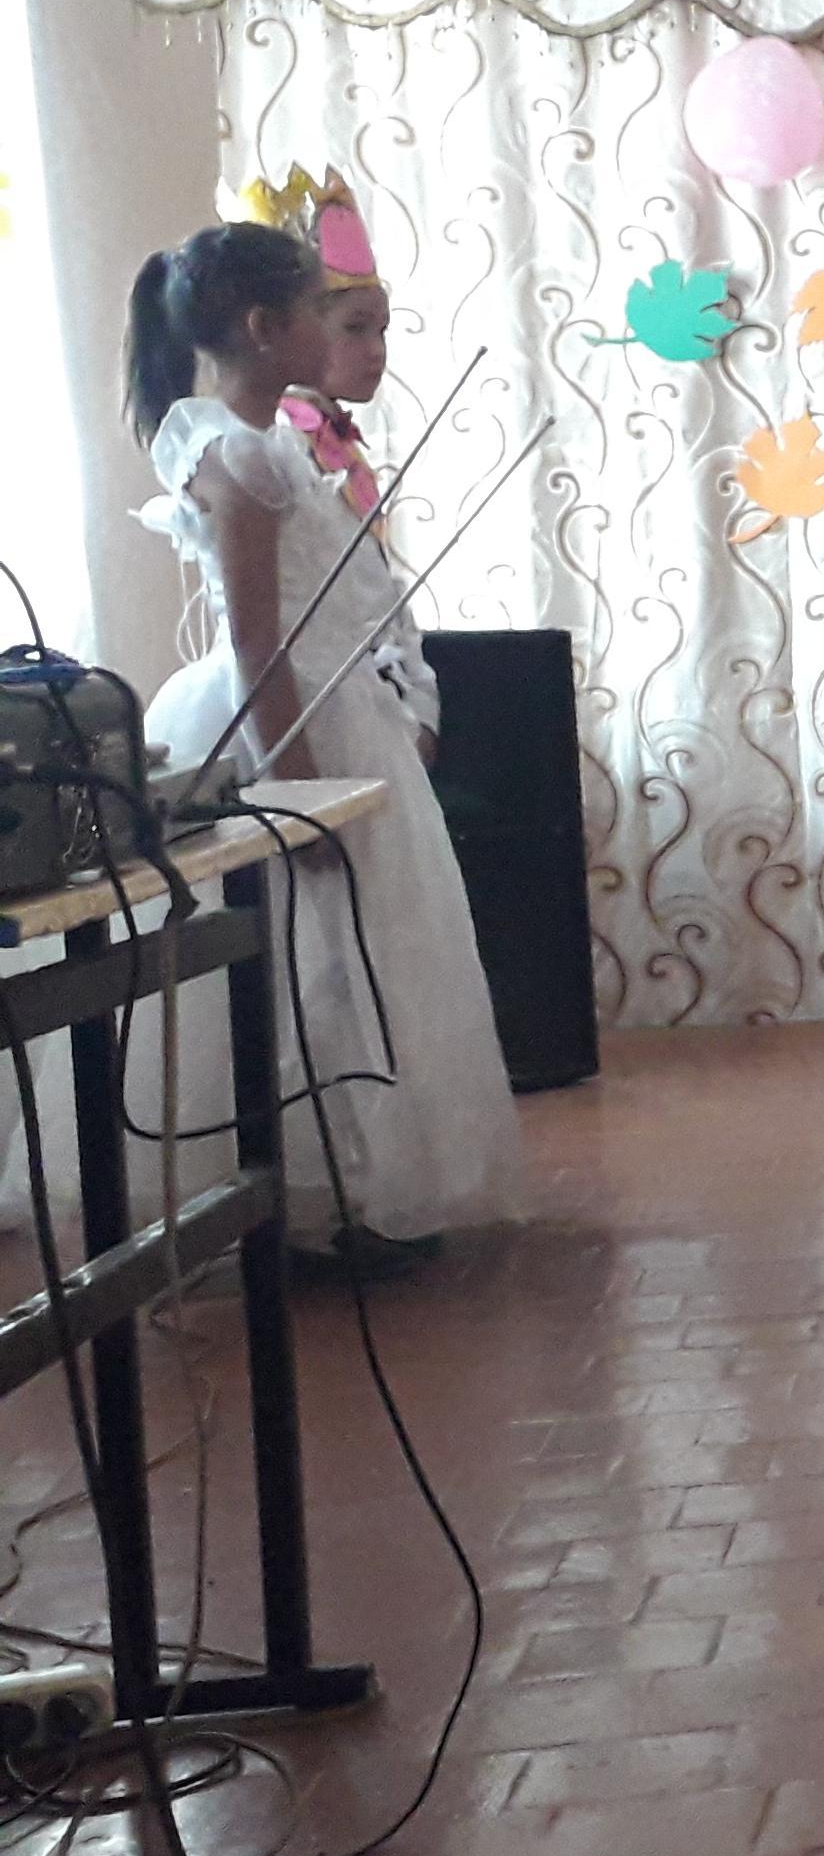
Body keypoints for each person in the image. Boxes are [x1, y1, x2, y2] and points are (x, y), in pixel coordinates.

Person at [127, 218, 522, 1268]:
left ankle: (355, 1185)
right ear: (266, 327)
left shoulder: (265, 444)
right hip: (289, 728)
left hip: (335, 708)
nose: (330, 330)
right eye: (316, 310)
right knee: (315, 957)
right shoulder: (237, 457)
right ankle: (314, 1198)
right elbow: (258, 638)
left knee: (356, 953)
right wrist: (292, 793)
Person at [258, 176, 440, 765]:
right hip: (315, 701)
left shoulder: (342, 444)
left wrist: (421, 705)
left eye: (382, 330)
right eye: (354, 328)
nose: (377, 350)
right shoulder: (276, 446)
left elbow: (376, 591)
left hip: (374, 701)